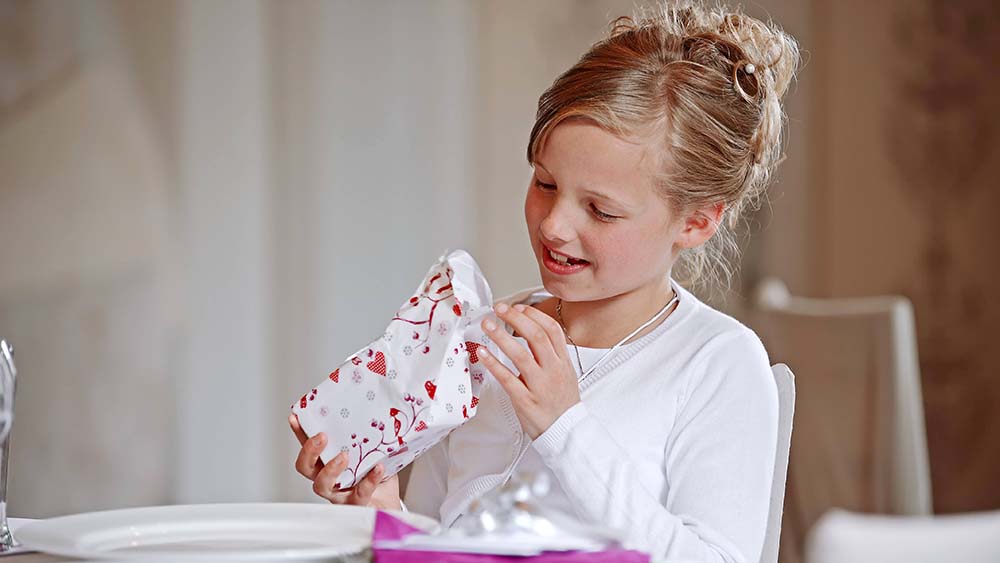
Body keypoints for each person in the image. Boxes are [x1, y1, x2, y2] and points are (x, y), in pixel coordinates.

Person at [289, 2, 799, 560]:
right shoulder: (486, 338)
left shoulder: (717, 363)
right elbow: (441, 536)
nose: (554, 225)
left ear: (697, 221)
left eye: (600, 210)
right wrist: (383, 514)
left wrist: (564, 426)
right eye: (545, 182)